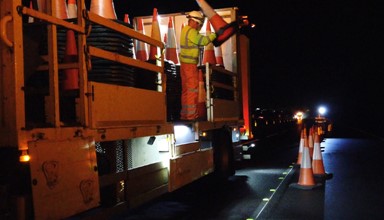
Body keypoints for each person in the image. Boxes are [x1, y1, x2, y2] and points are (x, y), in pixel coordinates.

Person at [179, 11, 217, 120]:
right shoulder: (191, 32)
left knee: (186, 91)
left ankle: (185, 115)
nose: (198, 27)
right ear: (195, 22)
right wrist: (215, 35)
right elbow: (203, 41)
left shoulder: (185, 30)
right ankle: (191, 116)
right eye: (198, 24)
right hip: (190, 66)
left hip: (184, 66)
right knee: (192, 91)